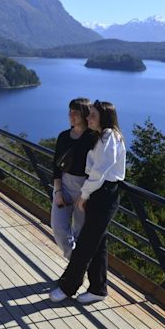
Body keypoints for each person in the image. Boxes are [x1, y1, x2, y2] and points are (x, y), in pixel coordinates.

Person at [49, 100, 126, 305]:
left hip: (103, 193)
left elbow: (100, 171)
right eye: (89, 114)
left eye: (92, 115)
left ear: (103, 117)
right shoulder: (103, 136)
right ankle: (98, 288)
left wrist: (83, 195)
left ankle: (69, 286)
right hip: (101, 193)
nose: (88, 118)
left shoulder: (108, 136)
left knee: (85, 244)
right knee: (98, 244)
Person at [51, 98, 96, 259]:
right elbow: (56, 166)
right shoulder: (63, 136)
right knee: (58, 227)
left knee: (80, 231)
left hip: (86, 188)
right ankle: (74, 261)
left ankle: (75, 270)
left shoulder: (93, 138)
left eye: (75, 111)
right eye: (70, 111)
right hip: (64, 185)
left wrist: (86, 194)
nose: (71, 115)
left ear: (85, 114)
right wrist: (58, 191)